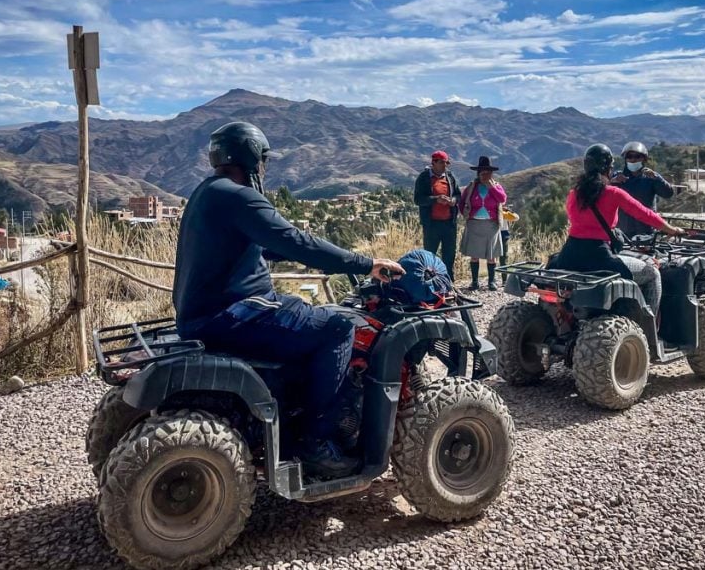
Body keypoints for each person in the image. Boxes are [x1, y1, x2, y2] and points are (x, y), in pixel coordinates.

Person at [173, 121, 404, 478]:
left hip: (207, 312)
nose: (264, 168)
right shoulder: (240, 196)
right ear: (250, 157)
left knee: (303, 314)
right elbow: (296, 242)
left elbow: (265, 244)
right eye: (263, 159)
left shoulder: (208, 192)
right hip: (233, 313)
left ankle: (294, 412)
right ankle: (316, 441)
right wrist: (365, 263)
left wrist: (306, 248)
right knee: (338, 327)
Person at [550, 144, 686, 316]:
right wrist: (672, 230)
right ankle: (647, 327)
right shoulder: (613, 193)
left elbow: (575, 220)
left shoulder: (574, 194)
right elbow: (645, 214)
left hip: (568, 256)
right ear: (608, 168)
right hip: (600, 258)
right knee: (652, 274)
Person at [458, 156, 507, 291]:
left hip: (491, 225)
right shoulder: (472, 187)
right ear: (478, 173)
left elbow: (502, 199)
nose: (485, 175)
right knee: (474, 255)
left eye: (488, 172)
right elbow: (462, 202)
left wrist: (491, 187)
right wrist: (466, 214)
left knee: (491, 256)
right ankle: (474, 282)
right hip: (474, 224)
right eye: (483, 172)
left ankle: (491, 281)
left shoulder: (496, 186)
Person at [610, 141, 675, 237]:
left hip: (646, 231)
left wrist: (657, 179)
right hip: (623, 231)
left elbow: (668, 193)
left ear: (644, 159)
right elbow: (603, 194)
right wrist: (612, 181)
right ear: (625, 159)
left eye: (637, 157)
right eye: (629, 156)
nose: (633, 160)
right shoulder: (618, 176)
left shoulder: (651, 176)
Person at [413, 150, 461, 278]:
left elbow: (458, 194)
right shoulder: (424, 178)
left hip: (449, 223)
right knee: (430, 254)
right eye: (442, 163)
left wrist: (454, 201)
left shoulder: (450, 177)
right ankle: (431, 279)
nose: (445, 166)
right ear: (433, 163)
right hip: (431, 224)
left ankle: (449, 279)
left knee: (449, 253)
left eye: (446, 163)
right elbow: (418, 199)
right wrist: (435, 199)